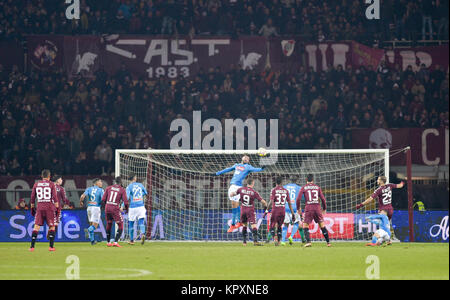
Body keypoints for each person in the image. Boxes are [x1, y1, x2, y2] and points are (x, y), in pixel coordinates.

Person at [215, 155, 265, 232]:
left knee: (235, 205)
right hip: (232, 186)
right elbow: (227, 169)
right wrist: (217, 173)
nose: (246, 158)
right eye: (245, 157)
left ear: (248, 161)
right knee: (234, 205)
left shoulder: (248, 167)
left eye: (248, 158)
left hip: (238, 188)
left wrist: (263, 167)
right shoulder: (236, 165)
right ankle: (238, 222)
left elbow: (257, 169)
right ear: (242, 158)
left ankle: (234, 224)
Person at [356, 176, 404, 244]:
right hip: (390, 209)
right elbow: (400, 185)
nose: (377, 180)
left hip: (383, 209)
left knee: (382, 225)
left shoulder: (379, 190)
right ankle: (388, 240)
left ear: (381, 181)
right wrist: (403, 182)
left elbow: (370, 199)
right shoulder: (390, 185)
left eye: (378, 179)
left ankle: (379, 240)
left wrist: (361, 204)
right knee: (386, 224)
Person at [230, 177, 268, 246]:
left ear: (247, 183)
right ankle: (255, 242)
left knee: (244, 225)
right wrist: (266, 207)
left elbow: (233, 194)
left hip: (243, 209)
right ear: (252, 183)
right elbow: (263, 202)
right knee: (254, 226)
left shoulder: (241, 189)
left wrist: (231, 194)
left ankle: (244, 242)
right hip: (250, 210)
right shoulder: (254, 192)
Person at [297, 174, 331, 247]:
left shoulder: (304, 187)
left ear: (306, 180)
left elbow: (298, 199)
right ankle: (328, 243)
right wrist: (324, 208)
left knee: (305, 225)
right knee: (322, 225)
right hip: (317, 208)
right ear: (313, 180)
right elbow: (323, 199)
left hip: (309, 208)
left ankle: (309, 242)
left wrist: (298, 208)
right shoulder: (317, 187)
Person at [29, 169, 59, 252]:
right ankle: (51, 247)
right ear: (49, 176)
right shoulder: (52, 184)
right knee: (52, 226)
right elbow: (55, 198)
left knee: (36, 226)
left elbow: (32, 197)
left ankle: (32, 247)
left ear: (42, 176)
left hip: (39, 207)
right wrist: (57, 209)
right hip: (49, 207)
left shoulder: (36, 184)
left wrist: (32, 207)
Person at [102, 176, 128, 247]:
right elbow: (126, 202)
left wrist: (107, 206)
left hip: (107, 207)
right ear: (121, 182)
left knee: (109, 223)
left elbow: (103, 199)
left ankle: (108, 242)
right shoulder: (122, 190)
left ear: (115, 181)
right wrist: (127, 209)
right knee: (121, 225)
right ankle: (115, 242)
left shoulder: (108, 188)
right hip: (115, 208)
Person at [269, 177, 295, 246]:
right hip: (282, 210)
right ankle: (279, 241)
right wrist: (292, 213)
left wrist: (266, 209)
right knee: (279, 226)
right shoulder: (286, 191)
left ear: (276, 183)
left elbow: (271, 202)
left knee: (272, 225)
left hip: (275, 210)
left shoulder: (274, 190)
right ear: (281, 183)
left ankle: (275, 238)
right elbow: (289, 203)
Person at [80, 178, 104, 245]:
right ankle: (88, 230)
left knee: (91, 224)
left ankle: (92, 241)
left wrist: (81, 202)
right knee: (94, 226)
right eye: (100, 181)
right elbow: (103, 199)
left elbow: (82, 196)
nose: (101, 183)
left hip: (89, 207)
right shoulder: (101, 190)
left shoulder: (89, 189)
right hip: (96, 208)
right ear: (96, 183)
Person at [281, 181, 306, 245]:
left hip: (286, 207)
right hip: (294, 208)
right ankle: (291, 236)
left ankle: (283, 241)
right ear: (296, 181)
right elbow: (302, 198)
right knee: (296, 223)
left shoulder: (284, 187)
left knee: (285, 224)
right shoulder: (299, 188)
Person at [125, 173, 148, 245]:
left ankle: (131, 240)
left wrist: (122, 206)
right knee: (141, 221)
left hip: (133, 207)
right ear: (134, 178)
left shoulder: (129, 187)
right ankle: (143, 234)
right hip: (141, 206)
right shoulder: (140, 185)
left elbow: (127, 197)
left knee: (131, 223)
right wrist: (140, 196)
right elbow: (145, 192)